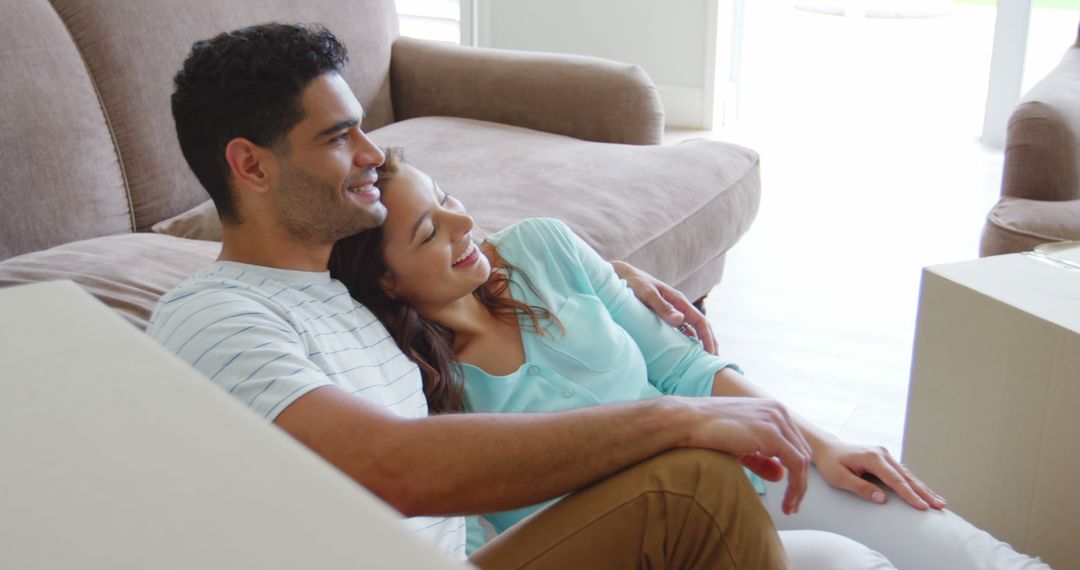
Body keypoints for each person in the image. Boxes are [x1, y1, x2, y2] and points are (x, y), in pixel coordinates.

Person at [150, 21, 820, 569]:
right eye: (337, 137)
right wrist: (672, 417)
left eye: (360, 126)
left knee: (750, 511)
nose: (368, 152)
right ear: (249, 165)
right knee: (693, 484)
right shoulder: (216, 314)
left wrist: (610, 272)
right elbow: (393, 467)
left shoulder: (350, 298)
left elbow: (453, 250)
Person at [325, 149, 1051, 570]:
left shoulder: (542, 248)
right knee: (856, 568)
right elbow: (481, 537)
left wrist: (824, 443)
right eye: (428, 231)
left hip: (744, 469)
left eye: (448, 197)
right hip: (659, 543)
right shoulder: (413, 385)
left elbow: (683, 370)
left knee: (961, 550)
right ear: (387, 282)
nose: (462, 222)